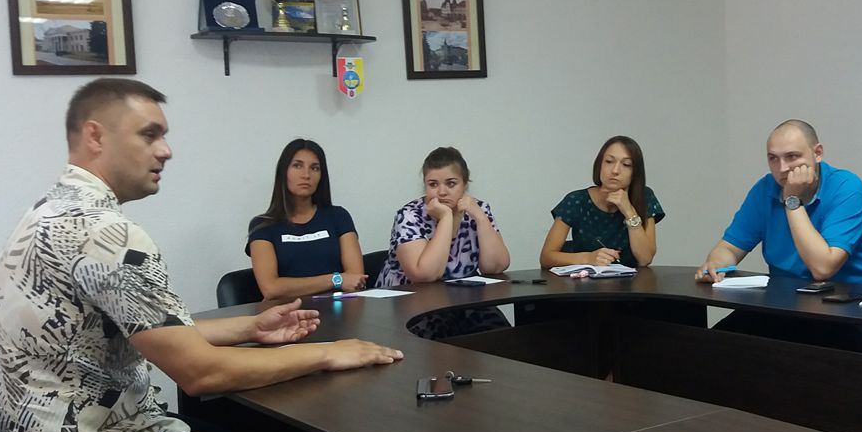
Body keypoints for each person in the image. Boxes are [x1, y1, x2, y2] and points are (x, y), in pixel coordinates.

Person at [0, 79, 402, 432]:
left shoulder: (49, 212)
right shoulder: (106, 235)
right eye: (149, 134)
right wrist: (328, 352)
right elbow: (202, 374)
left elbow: (148, 329)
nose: (166, 150)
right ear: (95, 136)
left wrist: (250, 329)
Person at [695, 119, 862, 352]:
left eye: (792, 157)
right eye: (773, 158)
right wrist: (716, 265)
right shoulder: (765, 189)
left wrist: (792, 200)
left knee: (792, 358)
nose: (782, 168)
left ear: (817, 153)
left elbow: (823, 268)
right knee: (712, 346)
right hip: (789, 303)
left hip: (858, 308)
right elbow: (729, 248)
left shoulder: (847, 188)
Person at [375, 146, 511, 338]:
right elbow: (425, 275)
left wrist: (480, 217)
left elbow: (495, 266)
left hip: (462, 301)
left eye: (451, 183)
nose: (442, 192)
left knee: (502, 336)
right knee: (437, 343)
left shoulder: (477, 209)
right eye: (433, 184)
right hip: (410, 304)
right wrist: (446, 218)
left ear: (465, 184)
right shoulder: (409, 215)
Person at [246, 139, 367, 300]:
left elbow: (355, 277)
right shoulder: (262, 226)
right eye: (297, 166)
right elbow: (271, 289)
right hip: (288, 311)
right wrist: (336, 279)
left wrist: (295, 286)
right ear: (283, 172)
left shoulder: (338, 216)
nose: (306, 175)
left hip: (338, 309)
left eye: (314, 168)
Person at [540, 136, 663, 269]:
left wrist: (629, 211)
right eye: (609, 161)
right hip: (585, 280)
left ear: (635, 172)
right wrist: (588, 258)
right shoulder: (576, 200)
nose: (615, 170)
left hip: (632, 280)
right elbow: (546, 258)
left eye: (626, 164)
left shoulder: (644, 196)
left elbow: (645, 259)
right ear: (599, 165)